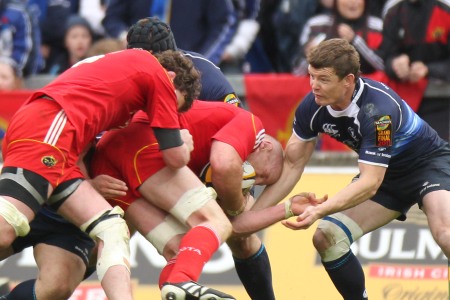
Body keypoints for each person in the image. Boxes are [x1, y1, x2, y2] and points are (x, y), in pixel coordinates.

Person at [252, 38, 450, 300]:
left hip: (428, 166)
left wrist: (320, 209)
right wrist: (253, 215)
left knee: (445, 234)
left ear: (348, 80)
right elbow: (292, 165)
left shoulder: (378, 111)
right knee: (327, 237)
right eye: (311, 76)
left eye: (323, 79)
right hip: (387, 176)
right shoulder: (311, 107)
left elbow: (370, 183)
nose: (314, 86)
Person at [0, 48, 201, 300]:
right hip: (49, 130)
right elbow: (176, 157)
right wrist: (184, 141)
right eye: (171, 104)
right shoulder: (157, 75)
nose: (161, 112)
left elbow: (83, 137)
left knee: (111, 230)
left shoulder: (118, 85)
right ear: (170, 77)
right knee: (5, 229)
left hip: (61, 148)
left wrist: (88, 182)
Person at [90, 100, 318, 300]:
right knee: (213, 222)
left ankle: (177, 283)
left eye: (259, 182)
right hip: (143, 142)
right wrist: (236, 205)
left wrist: (288, 208)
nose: (253, 180)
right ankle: (182, 280)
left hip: (108, 163)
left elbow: (235, 228)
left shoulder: (217, 168)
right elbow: (224, 164)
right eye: (262, 174)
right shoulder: (251, 125)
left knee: (179, 251)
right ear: (265, 146)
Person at [125, 17, 282, 299]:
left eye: (159, 65)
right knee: (117, 235)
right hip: (151, 165)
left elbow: (238, 134)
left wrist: (222, 178)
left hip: (205, 162)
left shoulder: (205, 75)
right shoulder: (123, 76)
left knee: (240, 239)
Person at [377, 0, 450, 141]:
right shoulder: (393, 10)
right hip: (402, 100)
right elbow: (384, 56)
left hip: (441, 99)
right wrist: (395, 63)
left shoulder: (445, 8)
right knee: (390, 151)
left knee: (435, 154)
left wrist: (428, 70)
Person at [102, 0, 236, 65]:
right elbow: (112, 19)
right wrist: (125, 37)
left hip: (188, 68)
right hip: (137, 64)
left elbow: (222, 23)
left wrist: (202, 60)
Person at [293, 0, 384, 76]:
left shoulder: (377, 26)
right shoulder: (316, 25)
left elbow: (383, 66)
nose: (352, 2)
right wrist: (309, 55)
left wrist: (355, 40)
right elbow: (297, 73)